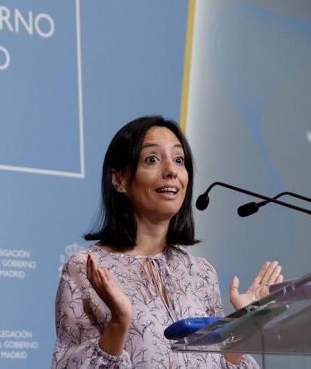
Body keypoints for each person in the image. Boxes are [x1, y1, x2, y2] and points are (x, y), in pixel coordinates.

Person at [52, 115, 283, 369]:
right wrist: (119, 321)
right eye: (152, 159)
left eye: (179, 160)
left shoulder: (201, 273)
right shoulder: (86, 269)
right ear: (119, 180)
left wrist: (241, 328)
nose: (171, 170)